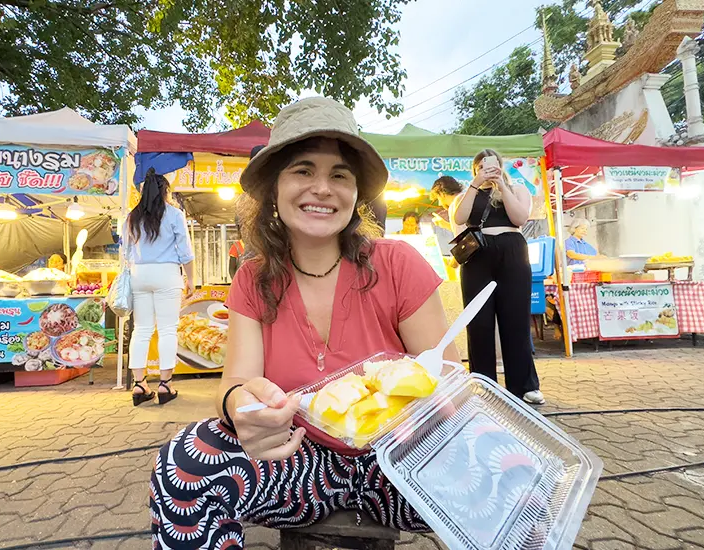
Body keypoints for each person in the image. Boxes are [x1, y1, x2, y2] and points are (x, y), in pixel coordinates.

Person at [149, 97, 459, 549]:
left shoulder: (398, 265)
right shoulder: (253, 280)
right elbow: (235, 383)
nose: (322, 188)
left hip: (399, 461)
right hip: (295, 458)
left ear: (356, 195)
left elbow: (447, 380)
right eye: (302, 170)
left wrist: (437, 408)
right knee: (185, 461)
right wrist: (242, 409)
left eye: (340, 175)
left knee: (515, 471)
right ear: (274, 188)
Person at [451, 149, 544, 405]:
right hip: (477, 255)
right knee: (478, 321)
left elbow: (520, 218)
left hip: (512, 251)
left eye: (493, 165)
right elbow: (460, 218)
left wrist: (501, 185)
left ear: (501, 166)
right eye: (482, 166)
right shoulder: (467, 193)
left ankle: (524, 385)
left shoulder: (517, 190)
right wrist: (476, 184)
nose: (488, 169)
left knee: (515, 320)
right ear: (475, 168)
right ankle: (483, 383)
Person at [127, 168, 195, 407]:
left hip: (139, 274)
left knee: (142, 330)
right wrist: (191, 280)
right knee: (168, 330)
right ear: (165, 192)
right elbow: (185, 252)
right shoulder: (174, 214)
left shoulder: (131, 216)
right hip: (167, 273)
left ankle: (139, 384)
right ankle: (165, 384)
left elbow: (126, 253)